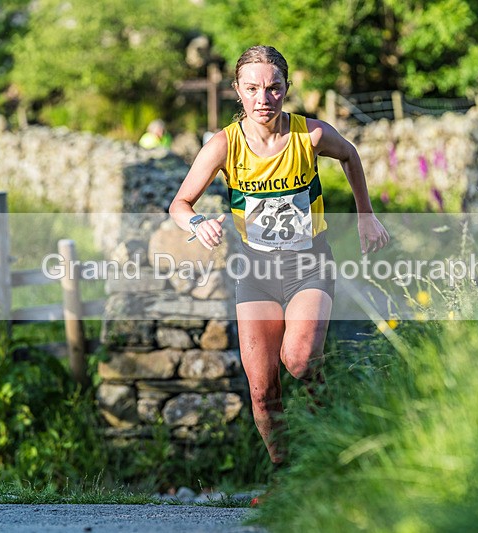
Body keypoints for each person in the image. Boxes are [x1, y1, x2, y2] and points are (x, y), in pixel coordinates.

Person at [169, 45, 389, 476]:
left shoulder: (311, 135)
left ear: (286, 89)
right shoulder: (224, 145)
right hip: (256, 272)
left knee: (301, 360)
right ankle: (289, 476)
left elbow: (350, 156)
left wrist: (366, 215)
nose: (263, 99)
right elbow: (179, 203)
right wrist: (196, 223)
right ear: (237, 91)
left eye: (273, 88)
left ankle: (334, 439)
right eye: (252, 89)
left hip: (309, 264)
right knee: (262, 390)